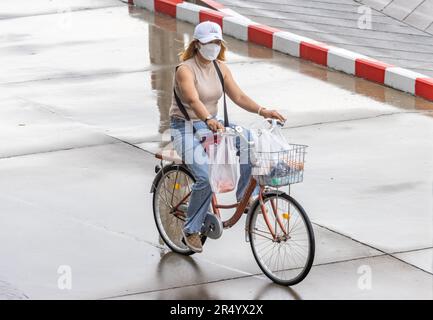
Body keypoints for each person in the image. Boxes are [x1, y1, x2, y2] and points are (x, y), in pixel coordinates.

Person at [169, 21, 285, 253]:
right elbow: (193, 100)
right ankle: (191, 229)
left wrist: (263, 110)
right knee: (205, 176)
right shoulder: (186, 69)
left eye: (216, 42)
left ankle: (245, 195)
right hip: (185, 127)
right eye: (207, 42)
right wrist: (208, 120)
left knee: (248, 141)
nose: (212, 46)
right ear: (197, 44)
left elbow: (239, 96)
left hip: (212, 125)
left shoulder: (220, 68)